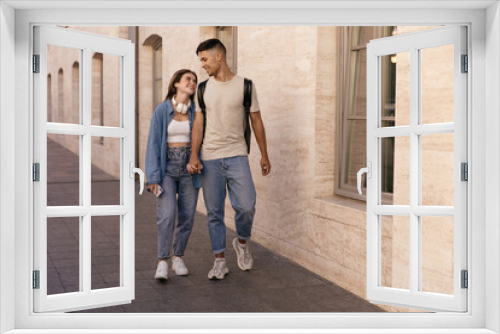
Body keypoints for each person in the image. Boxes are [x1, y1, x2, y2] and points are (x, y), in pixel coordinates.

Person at [188, 39, 271, 280]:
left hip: (237, 155)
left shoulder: (245, 86)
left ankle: (242, 242)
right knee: (214, 212)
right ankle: (220, 261)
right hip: (210, 158)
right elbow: (199, 124)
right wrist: (194, 155)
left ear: (218, 57)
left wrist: (264, 154)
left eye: (204, 59)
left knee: (246, 206)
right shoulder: (203, 89)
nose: (202, 65)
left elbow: (256, 120)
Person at [145, 69, 201, 281]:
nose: (192, 83)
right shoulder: (162, 111)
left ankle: (178, 257)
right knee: (167, 215)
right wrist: (153, 177)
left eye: (195, 80)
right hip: (167, 167)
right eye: (188, 79)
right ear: (176, 83)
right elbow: (152, 144)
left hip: (189, 168)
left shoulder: (196, 111)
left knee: (187, 216)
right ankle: (162, 261)